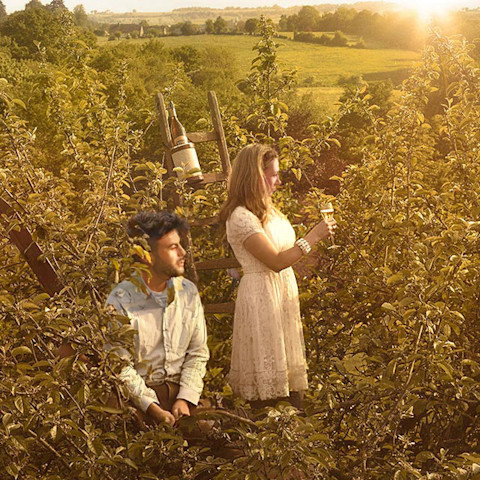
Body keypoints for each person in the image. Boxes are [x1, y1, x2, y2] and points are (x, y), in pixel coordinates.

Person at [219, 144, 337, 408]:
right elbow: (276, 261)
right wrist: (313, 236)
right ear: (255, 176)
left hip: (281, 295)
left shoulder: (268, 211)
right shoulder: (240, 217)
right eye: (273, 175)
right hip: (261, 297)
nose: (279, 181)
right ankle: (269, 422)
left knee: (289, 379)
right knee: (268, 379)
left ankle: (291, 424)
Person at [106, 211, 209, 426]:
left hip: (180, 395)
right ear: (147, 256)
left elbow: (197, 352)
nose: (182, 252)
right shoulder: (121, 299)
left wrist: (185, 398)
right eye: (173, 247)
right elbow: (120, 365)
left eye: (180, 245)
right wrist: (153, 408)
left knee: (214, 432)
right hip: (138, 400)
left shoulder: (187, 292)